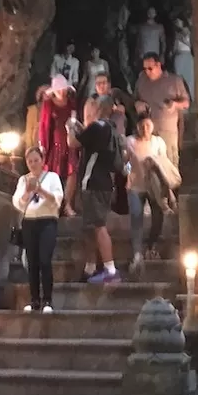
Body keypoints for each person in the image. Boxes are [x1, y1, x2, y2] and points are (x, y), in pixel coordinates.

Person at [68, 94, 124, 283]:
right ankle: (90, 267)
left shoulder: (96, 127)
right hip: (105, 183)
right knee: (90, 227)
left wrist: (70, 127)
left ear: (98, 109)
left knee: (99, 226)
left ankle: (110, 269)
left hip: (93, 183)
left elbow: (73, 143)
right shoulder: (111, 130)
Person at [125, 112, 181, 275]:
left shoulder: (158, 142)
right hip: (135, 185)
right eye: (142, 126)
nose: (145, 129)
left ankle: (151, 245)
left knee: (158, 216)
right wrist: (127, 173)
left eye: (148, 125)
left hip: (154, 186)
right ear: (137, 127)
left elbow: (163, 163)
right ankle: (137, 253)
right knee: (136, 217)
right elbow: (126, 162)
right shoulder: (130, 142)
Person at [12, 146, 63, 313]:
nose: (33, 164)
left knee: (44, 260)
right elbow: (18, 203)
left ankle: (47, 300)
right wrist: (27, 192)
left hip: (47, 221)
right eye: (30, 161)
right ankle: (34, 300)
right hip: (29, 222)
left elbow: (57, 199)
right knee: (32, 262)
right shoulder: (23, 180)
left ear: (42, 161)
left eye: (36, 160)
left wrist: (40, 190)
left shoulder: (52, 177)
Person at [134, 53, 189, 167]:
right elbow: (134, 99)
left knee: (169, 167)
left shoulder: (174, 81)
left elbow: (186, 103)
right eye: (145, 69)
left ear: (158, 65)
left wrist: (174, 105)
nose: (147, 72)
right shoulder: (141, 81)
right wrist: (137, 104)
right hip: (147, 132)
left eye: (150, 68)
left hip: (167, 131)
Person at [37, 74, 79, 216]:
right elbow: (43, 125)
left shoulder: (72, 103)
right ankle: (53, 204)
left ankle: (66, 204)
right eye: (58, 89)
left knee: (72, 171)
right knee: (53, 173)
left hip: (69, 141)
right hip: (54, 142)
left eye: (63, 89)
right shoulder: (48, 104)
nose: (61, 92)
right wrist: (42, 144)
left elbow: (75, 120)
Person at [84, 72, 127, 137]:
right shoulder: (91, 102)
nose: (101, 86)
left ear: (109, 84)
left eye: (104, 83)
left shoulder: (115, 96)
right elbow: (87, 122)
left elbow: (122, 110)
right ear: (95, 86)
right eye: (98, 84)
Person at [171, 18, 194, 102]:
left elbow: (191, 45)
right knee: (179, 78)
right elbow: (175, 47)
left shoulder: (189, 32)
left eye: (178, 21)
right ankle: (180, 97)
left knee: (189, 78)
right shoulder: (176, 34)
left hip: (187, 56)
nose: (177, 23)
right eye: (176, 21)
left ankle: (189, 97)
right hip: (179, 56)